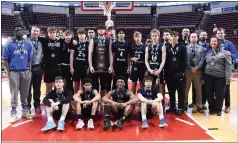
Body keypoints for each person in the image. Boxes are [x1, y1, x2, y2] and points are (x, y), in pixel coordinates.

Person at [3, 24, 34, 123]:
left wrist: (29, 71)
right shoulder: (9, 44)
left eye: (20, 30)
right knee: (14, 93)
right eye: (16, 30)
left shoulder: (28, 44)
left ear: (23, 31)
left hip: (25, 71)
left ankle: (25, 111)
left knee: (25, 93)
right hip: (14, 72)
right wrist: (8, 72)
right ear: (14, 32)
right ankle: (13, 112)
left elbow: (30, 59)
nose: (18, 32)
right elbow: (5, 59)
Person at [203, 36, 232, 116]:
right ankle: (211, 108)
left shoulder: (225, 53)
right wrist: (203, 77)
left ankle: (218, 109)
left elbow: (229, 67)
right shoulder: (208, 53)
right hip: (208, 76)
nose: (213, 42)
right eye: (212, 41)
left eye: (215, 41)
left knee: (219, 94)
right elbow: (205, 65)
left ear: (218, 42)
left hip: (220, 77)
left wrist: (228, 79)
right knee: (209, 93)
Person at [165, 31, 187, 115]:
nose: (173, 38)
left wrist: (181, 72)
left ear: (178, 37)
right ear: (170, 37)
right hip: (169, 74)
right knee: (171, 91)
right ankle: (172, 106)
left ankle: (181, 107)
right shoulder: (167, 47)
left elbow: (184, 61)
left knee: (180, 91)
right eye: (172, 36)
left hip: (178, 73)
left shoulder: (182, 47)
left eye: (175, 36)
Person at [88, 24, 113, 98]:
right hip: (95, 66)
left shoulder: (109, 40)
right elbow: (90, 53)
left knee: (103, 85)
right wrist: (90, 66)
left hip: (105, 66)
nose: (101, 30)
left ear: (105, 30)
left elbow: (110, 54)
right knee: (95, 85)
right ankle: (96, 100)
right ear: (97, 31)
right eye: (99, 29)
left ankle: (102, 101)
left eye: (102, 29)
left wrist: (111, 66)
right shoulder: (93, 40)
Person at [216, 28, 236, 113]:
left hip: (225, 69)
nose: (220, 34)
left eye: (221, 33)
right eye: (218, 33)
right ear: (216, 34)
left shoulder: (229, 43)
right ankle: (217, 105)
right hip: (216, 69)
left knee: (226, 88)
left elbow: (235, 54)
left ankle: (227, 105)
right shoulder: (214, 43)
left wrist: (231, 54)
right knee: (216, 88)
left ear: (224, 34)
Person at [184, 33, 205, 113]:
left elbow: (202, 60)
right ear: (189, 38)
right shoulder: (185, 48)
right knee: (186, 89)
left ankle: (199, 105)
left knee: (198, 90)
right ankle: (185, 104)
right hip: (188, 70)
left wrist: (196, 68)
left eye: (195, 36)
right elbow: (185, 60)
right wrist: (190, 67)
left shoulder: (201, 48)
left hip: (198, 71)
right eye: (192, 37)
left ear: (197, 38)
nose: (194, 38)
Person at [27, 25, 43, 114]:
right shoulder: (25, 41)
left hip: (38, 67)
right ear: (31, 30)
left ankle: (37, 106)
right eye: (34, 30)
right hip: (27, 68)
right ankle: (28, 107)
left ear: (39, 32)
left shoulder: (41, 41)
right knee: (27, 89)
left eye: (37, 31)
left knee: (37, 88)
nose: (35, 32)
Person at [70, 28, 90, 94]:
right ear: (78, 35)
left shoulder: (88, 44)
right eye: (79, 34)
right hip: (76, 67)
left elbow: (90, 57)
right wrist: (71, 68)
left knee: (84, 86)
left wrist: (89, 67)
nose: (81, 35)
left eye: (82, 34)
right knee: (76, 86)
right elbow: (71, 56)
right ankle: (76, 101)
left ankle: (83, 101)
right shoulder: (75, 44)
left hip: (85, 67)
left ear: (85, 35)